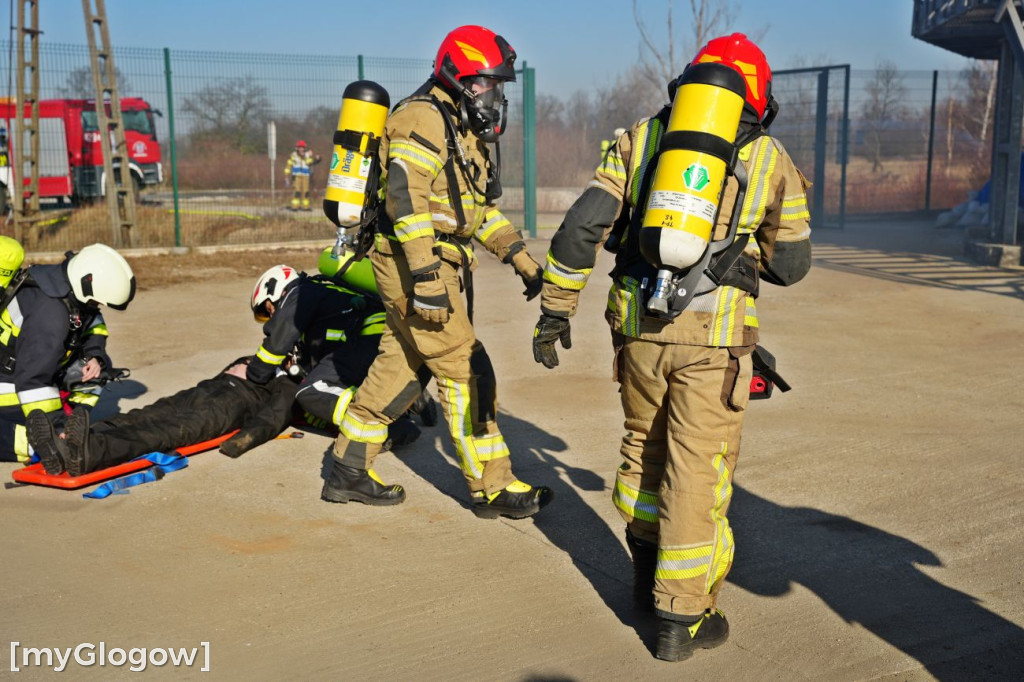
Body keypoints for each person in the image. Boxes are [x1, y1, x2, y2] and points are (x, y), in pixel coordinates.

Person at [532, 34, 812, 661]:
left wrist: (555, 309)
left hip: (636, 329)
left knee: (643, 446)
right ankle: (678, 618)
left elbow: (582, 227)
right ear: (759, 99)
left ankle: (642, 574)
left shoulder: (641, 138)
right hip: (713, 340)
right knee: (696, 472)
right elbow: (792, 265)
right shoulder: (770, 157)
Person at [322, 25, 553, 519]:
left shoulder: (461, 127)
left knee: (399, 372)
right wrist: (427, 279)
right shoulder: (422, 118)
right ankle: (493, 486)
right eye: (490, 84)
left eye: (500, 86)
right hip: (414, 264)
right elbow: (407, 203)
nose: (497, 95)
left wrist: (522, 260)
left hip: (435, 261)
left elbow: (475, 213)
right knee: (467, 370)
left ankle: (347, 467)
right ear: (461, 78)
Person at [27, 263, 434, 476]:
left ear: (274, 292)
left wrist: (244, 436)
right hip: (217, 384)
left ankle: (89, 451)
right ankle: (70, 439)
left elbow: (278, 407)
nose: (269, 322)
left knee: (172, 429)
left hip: (239, 400)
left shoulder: (300, 305)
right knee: (156, 412)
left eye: (266, 312)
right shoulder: (321, 323)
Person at [245, 263, 432, 454]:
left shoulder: (298, 293)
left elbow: (275, 345)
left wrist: (253, 376)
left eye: (266, 309)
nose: (271, 316)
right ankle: (407, 392)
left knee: (310, 391)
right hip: (387, 337)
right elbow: (323, 358)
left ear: (274, 288)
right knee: (333, 383)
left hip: (367, 338)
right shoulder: (324, 290)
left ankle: (389, 429)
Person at [0, 243, 134, 464]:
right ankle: (37, 445)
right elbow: (34, 382)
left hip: (27, 369)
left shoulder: (63, 283)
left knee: (99, 369)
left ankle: (69, 423)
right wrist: (56, 427)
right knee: (36, 428)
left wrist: (95, 354)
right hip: (13, 379)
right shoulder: (50, 315)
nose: (99, 304)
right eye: (97, 301)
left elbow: (93, 321)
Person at [284, 140, 321, 211]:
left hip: (305, 176)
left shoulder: (307, 156)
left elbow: (310, 163)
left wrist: (317, 159)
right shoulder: (293, 155)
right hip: (296, 176)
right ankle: (295, 207)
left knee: (306, 191)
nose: (301, 149)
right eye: (300, 147)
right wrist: (286, 175)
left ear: (305, 148)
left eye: (303, 147)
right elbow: (288, 165)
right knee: (297, 191)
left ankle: (305, 207)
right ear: (297, 148)